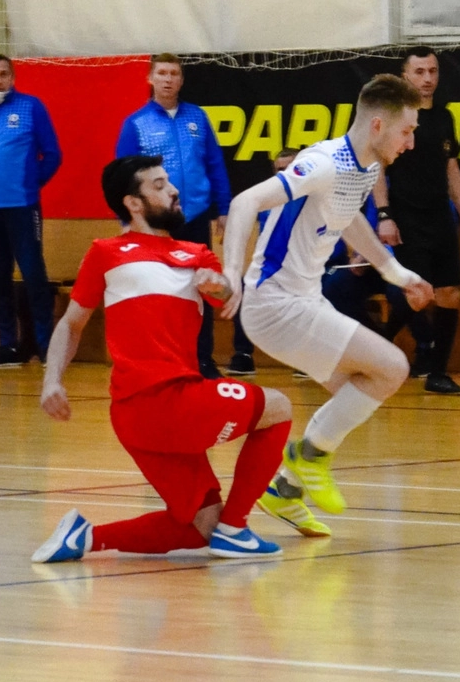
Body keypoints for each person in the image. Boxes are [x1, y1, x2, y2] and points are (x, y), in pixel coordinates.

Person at [33, 154, 303, 562]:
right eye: (159, 185)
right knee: (278, 407)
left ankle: (84, 538)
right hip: (155, 402)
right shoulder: (106, 252)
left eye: (169, 182)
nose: (174, 190)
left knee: (200, 527)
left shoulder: (197, 254)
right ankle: (236, 528)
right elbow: (72, 324)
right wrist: (52, 380)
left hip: (161, 410)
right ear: (133, 203)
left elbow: (229, 299)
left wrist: (218, 286)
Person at [220, 74, 434, 524]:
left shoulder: (366, 169)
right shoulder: (323, 164)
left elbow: (348, 216)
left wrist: (396, 273)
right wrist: (231, 274)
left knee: (357, 390)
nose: (411, 143)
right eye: (407, 130)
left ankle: (285, 489)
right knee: (393, 367)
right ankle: (307, 457)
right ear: (377, 125)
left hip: (304, 300)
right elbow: (243, 203)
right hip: (275, 305)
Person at [117, 53, 232, 378]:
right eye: (162, 73)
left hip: (195, 217)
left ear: (181, 80)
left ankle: (203, 360)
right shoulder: (136, 123)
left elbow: (215, 164)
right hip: (157, 223)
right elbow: (123, 175)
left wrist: (224, 208)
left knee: (202, 286)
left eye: (174, 74)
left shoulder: (197, 117)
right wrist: (128, 220)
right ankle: (165, 361)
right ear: (150, 78)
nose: (168, 79)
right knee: (162, 290)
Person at [375, 47, 460, 396]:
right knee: (419, 294)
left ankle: (438, 373)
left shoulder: (444, 117)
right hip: (407, 216)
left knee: (449, 293)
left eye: (432, 71)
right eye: (419, 72)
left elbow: (452, 169)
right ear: (405, 76)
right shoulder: (393, 117)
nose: (427, 78)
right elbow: (376, 169)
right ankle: (373, 346)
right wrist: (384, 215)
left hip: (440, 216)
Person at [0, 53, 62, 368]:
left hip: (23, 207)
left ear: (13, 77)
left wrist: (30, 184)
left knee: (33, 275)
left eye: (3, 74)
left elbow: (53, 154)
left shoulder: (31, 107)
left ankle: (46, 347)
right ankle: (8, 346)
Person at [224, 146, 299, 377]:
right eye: (279, 170)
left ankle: (305, 358)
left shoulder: (316, 198)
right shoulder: (267, 201)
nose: (284, 175)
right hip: (274, 267)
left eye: (290, 169)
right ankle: (243, 355)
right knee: (245, 287)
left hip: (310, 266)